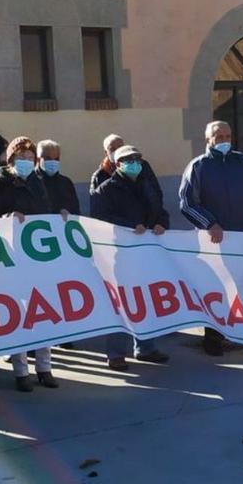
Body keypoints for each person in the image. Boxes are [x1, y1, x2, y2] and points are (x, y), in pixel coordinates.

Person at [178, 121, 243, 356]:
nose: (223, 140)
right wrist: (209, 223)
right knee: (215, 288)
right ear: (208, 140)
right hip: (214, 240)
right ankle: (213, 337)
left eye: (227, 135)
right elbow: (187, 203)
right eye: (218, 136)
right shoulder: (198, 166)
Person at [0, 136, 63, 391]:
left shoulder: (39, 184)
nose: (26, 162)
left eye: (30, 158)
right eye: (21, 158)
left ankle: (44, 368)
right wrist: (6, 217)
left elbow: (46, 211)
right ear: (11, 159)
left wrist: (59, 217)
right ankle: (21, 371)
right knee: (19, 315)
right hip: (12, 258)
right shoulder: (1, 183)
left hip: (37, 257)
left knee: (44, 312)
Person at [91, 144, 171, 369]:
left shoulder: (147, 185)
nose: (135, 162)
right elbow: (99, 219)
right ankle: (116, 353)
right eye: (129, 159)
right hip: (119, 257)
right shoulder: (105, 190)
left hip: (146, 254)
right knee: (121, 304)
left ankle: (146, 347)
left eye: (138, 158)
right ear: (118, 164)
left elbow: (160, 210)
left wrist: (160, 224)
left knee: (146, 301)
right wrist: (129, 227)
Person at [89, 133, 163, 206]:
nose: (117, 151)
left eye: (120, 147)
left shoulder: (141, 165)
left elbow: (156, 193)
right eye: (112, 149)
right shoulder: (99, 176)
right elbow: (97, 205)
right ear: (106, 152)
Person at [36, 139, 80, 216]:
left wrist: (66, 210)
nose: (53, 162)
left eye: (56, 159)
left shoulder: (66, 183)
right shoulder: (32, 182)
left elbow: (76, 211)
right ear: (38, 159)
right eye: (48, 158)